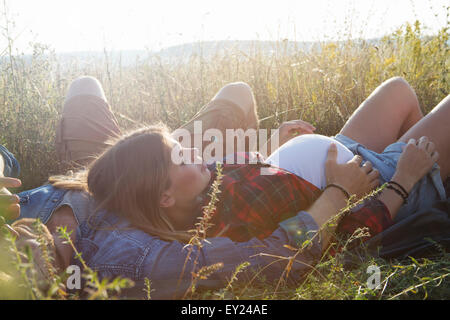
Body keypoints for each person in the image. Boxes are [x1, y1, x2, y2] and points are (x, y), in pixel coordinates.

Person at [0, 76, 447, 298]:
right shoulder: (134, 258)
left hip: (321, 162)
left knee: (400, 89)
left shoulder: (40, 204)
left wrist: (267, 154)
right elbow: (278, 258)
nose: (18, 237)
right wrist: (397, 183)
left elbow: (215, 174)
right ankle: (432, 184)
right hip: (369, 177)